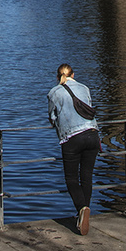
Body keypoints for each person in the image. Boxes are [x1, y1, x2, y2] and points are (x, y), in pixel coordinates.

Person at [47, 62, 99, 235]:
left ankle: (82, 208)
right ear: (73, 75)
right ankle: (83, 214)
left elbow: (52, 117)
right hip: (92, 135)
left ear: (58, 77)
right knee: (87, 176)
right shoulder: (85, 88)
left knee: (71, 178)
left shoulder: (54, 92)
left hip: (72, 138)